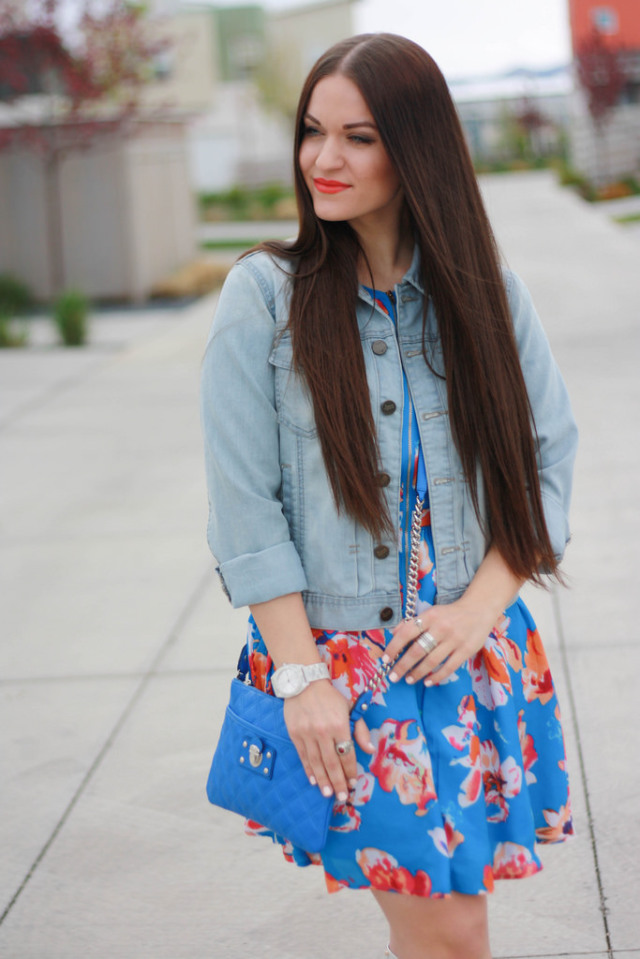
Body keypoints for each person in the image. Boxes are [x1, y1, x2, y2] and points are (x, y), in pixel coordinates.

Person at [200, 33, 578, 959]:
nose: (324, 160)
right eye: (314, 132)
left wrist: (476, 614)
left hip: (472, 657)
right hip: (344, 673)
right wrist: (302, 678)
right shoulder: (264, 298)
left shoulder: (487, 294)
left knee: (454, 929)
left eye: (359, 137)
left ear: (416, 149)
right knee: (452, 934)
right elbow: (244, 508)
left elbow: (547, 465)